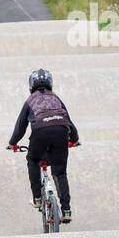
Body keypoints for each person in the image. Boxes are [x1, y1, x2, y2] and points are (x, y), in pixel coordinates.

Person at [7, 69, 80, 224]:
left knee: (33, 160)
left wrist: (12, 143)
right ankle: (66, 210)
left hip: (40, 130)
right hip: (61, 130)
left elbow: (20, 126)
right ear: (50, 83)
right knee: (60, 172)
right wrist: (74, 139)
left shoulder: (30, 100)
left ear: (31, 85)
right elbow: (69, 121)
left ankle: (38, 198)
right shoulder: (56, 98)